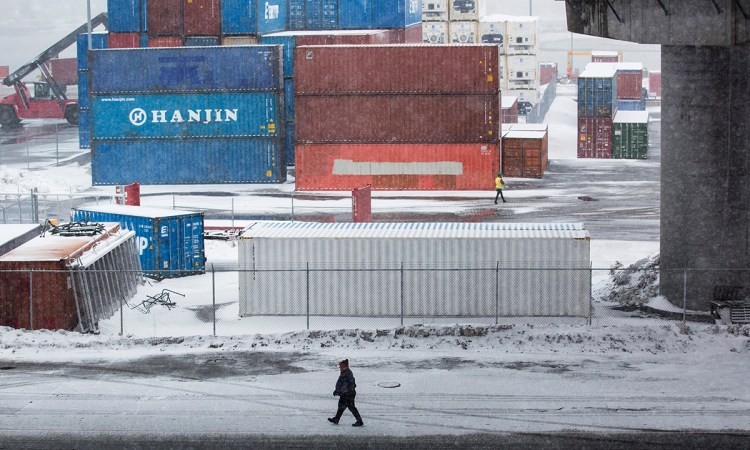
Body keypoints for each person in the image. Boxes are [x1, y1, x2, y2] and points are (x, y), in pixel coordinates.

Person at [328, 359, 363, 427]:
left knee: (351, 407)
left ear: (344, 366)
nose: (339, 368)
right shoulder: (345, 373)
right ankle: (336, 419)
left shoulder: (347, 373)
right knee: (341, 405)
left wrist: (339, 392)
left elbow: (345, 385)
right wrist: (337, 390)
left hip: (348, 394)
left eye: (340, 366)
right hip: (346, 393)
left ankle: (359, 421)